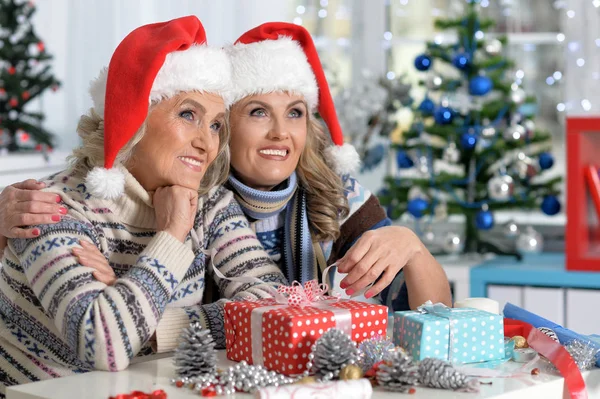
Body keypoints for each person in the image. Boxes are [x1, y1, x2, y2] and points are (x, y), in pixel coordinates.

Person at [0, 23, 451, 317]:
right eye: (257, 111)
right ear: (229, 126)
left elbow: (433, 318)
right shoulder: (198, 196)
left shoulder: (334, 193)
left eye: (295, 113)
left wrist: (412, 247)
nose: (280, 133)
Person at [0, 16, 286, 394]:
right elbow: (102, 343)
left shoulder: (209, 204)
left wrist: (151, 323)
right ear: (133, 118)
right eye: (188, 115)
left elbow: (275, 305)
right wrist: (171, 236)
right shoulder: (52, 209)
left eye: (216, 125)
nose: (207, 143)